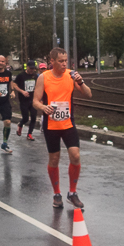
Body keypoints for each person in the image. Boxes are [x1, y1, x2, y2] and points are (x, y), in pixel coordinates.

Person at [33, 47, 92, 209]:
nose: (64, 64)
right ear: (51, 62)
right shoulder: (43, 77)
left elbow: (88, 94)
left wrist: (81, 82)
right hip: (51, 125)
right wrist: (43, 107)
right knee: (54, 159)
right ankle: (57, 193)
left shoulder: (71, 75)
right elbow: (35, 101)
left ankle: (72, 193)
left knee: (75, 155)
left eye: (66, 60)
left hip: (68, 123)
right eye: (61, 61)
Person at [13, 60, 38, 140]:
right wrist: (22, 91)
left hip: (33, 100)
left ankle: (29, 134)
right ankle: (20, 124)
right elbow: (14, 84)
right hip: (24, 100)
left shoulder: (35, 76)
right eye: (30, 68)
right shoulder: (21, 75)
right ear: (27, 67)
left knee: (34, 117)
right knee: (26, 118)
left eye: (33, 68)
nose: (32, 70)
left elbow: (38, 86)